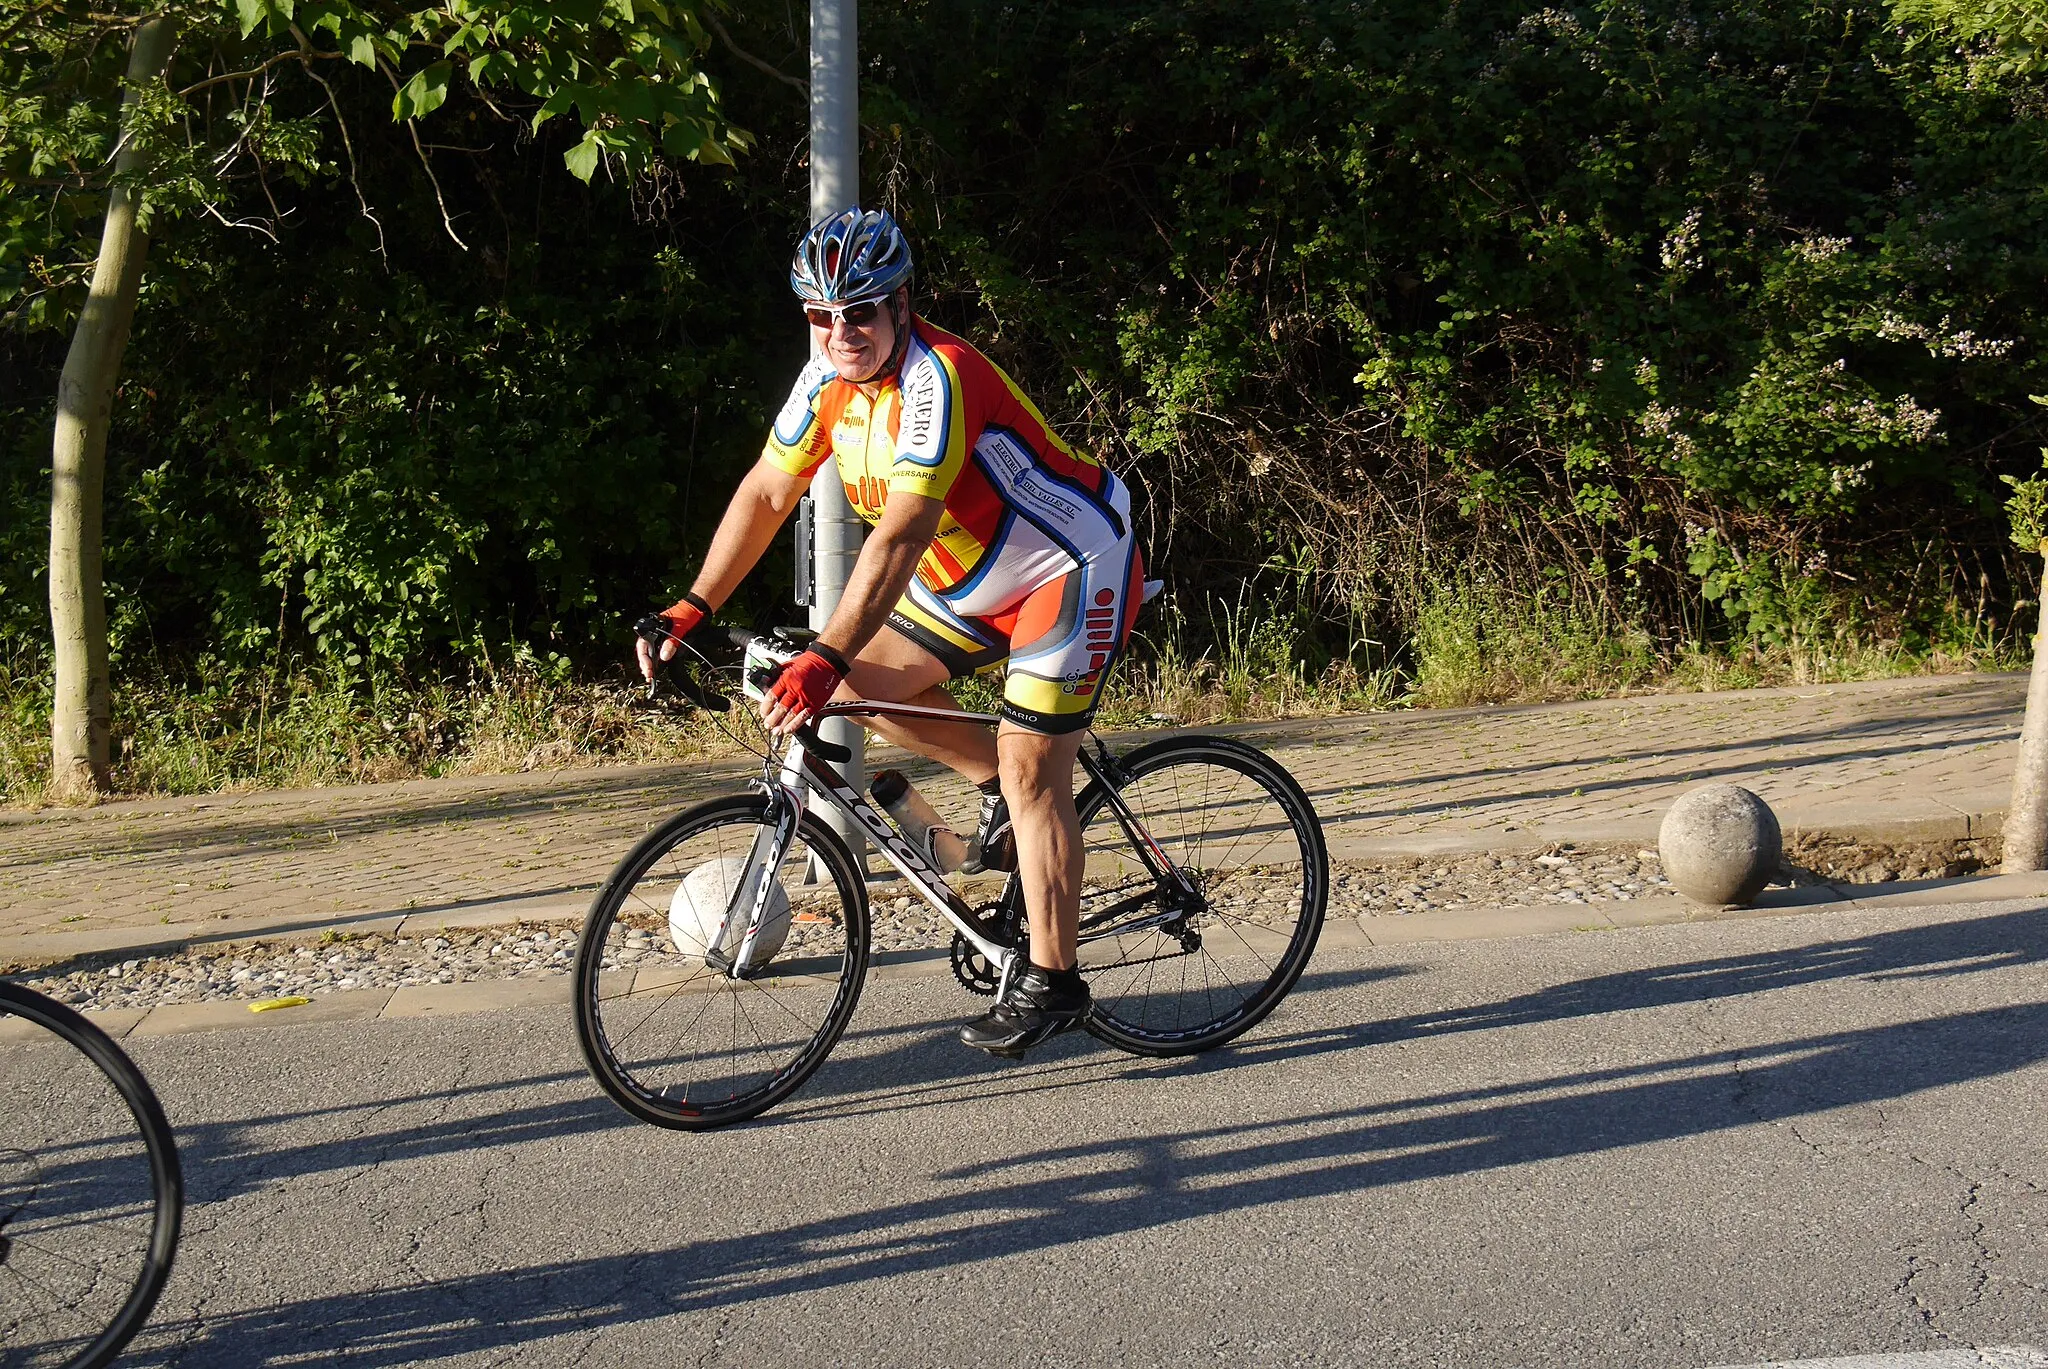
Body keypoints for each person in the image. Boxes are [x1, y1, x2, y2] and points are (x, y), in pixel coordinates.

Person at [635, 206, 1145, 1056]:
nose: (842, 332)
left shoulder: (936, 378)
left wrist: (826, 651)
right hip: (971, 577)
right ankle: (1002, 803)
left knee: (1033, 766)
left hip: (1070, 564)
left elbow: (901, 535)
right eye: (822, 316)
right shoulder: (823, 381)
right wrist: (693, 604)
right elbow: (767, 492)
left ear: (901, 303)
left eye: (861, 311)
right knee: (859, 692)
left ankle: (1054, 979)